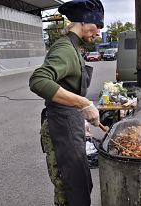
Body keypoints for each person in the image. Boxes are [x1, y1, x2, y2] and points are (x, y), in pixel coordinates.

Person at [29, 0, 104, 205]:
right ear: (84, 21)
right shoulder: (64, 48)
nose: (98, 33)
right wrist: (83, 104)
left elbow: (68, 88)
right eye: (98, 26)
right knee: (69, 192)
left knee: (80, 187)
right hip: (60, 128)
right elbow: (38, 81)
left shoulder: (74, 47)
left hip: (70, 124)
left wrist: (80, 116)